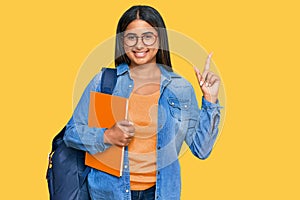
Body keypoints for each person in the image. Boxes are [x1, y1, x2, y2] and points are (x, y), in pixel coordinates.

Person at [64, 5, 222, 200]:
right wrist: (106, 136)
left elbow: (201, 149)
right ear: (123, 42)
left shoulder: (179, 88)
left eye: (148, 36)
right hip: (109, 194)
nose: (139, 45)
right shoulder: (104, 82)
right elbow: (71, 133)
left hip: (161, 193)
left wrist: (210, 99)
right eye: (131, 37)